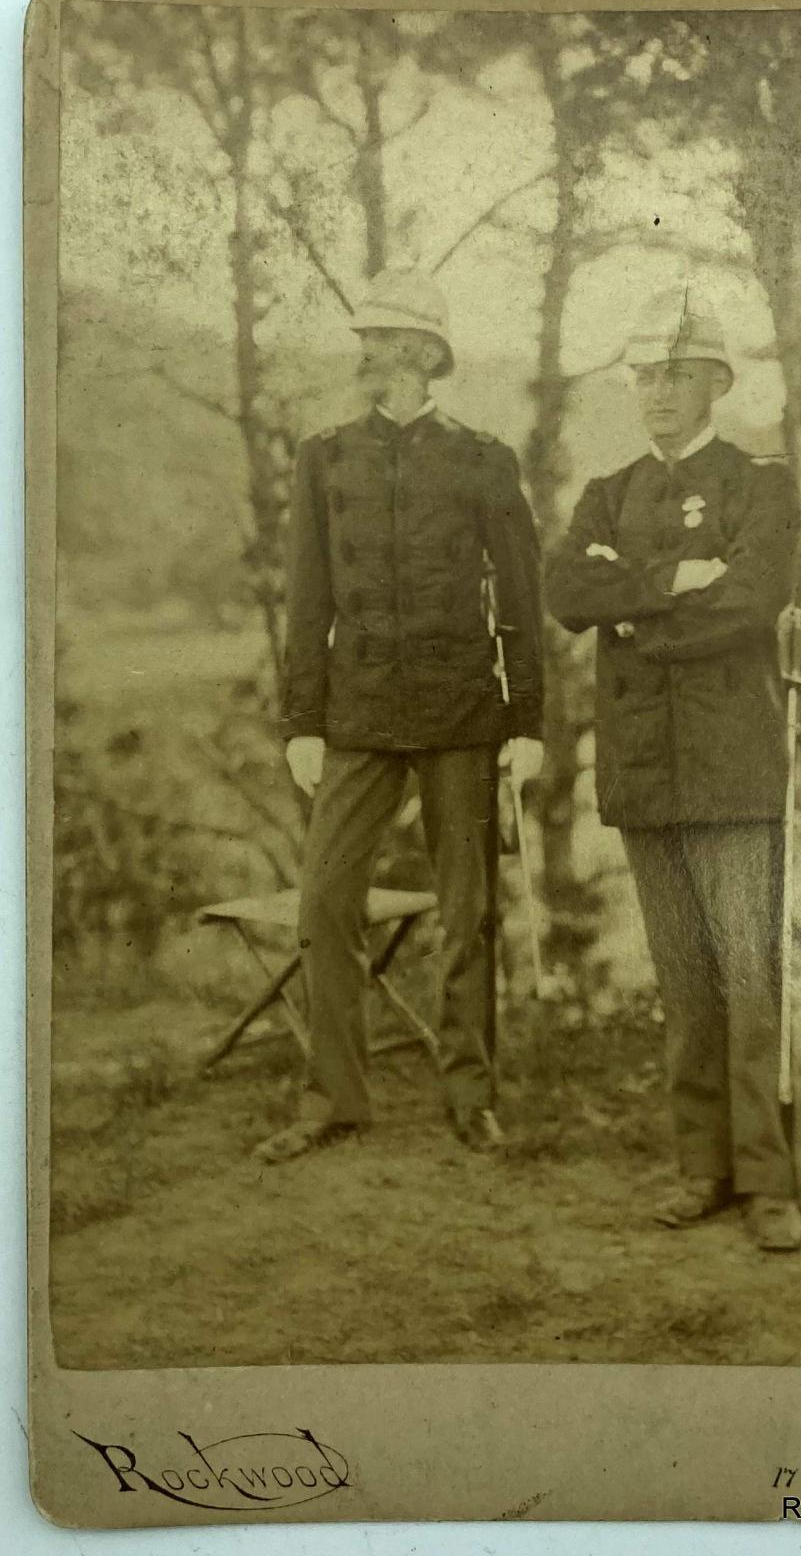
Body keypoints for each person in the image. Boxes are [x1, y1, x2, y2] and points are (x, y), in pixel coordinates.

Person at [256, 269, 544, 1163]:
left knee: (469, 912)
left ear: (422, 354)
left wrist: (526, 723)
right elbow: (307, 603)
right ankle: (334, 1098)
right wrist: (303, 721)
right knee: (325, 900)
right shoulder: (323, 458)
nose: (364, 354)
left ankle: (469, 1094)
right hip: (356, 716)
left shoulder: (483, 460)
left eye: (381, 340)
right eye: (363, 339)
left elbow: (522, 604)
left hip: (463, 713)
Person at [546, 287, 801, 1250]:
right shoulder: (606, 493)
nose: (656, 393)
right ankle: (703, 1169)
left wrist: (633, 620)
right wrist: (664, 584)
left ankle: (770, 1181)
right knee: (685, 981)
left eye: (677, 377)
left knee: (747, 975)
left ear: (716, 385)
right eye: (645, 377)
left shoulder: (758, 484)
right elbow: (567, 591)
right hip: (645, 769)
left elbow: (748, 604)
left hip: (734, 765)